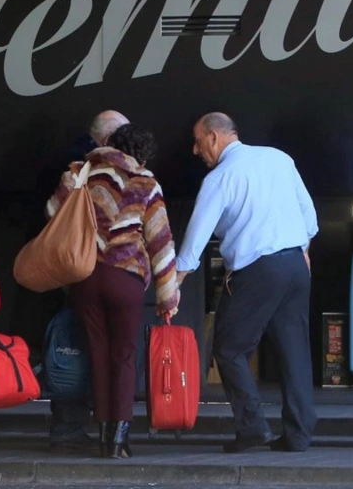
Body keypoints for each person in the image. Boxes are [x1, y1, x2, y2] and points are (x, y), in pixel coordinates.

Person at [175, 112, 319, 453]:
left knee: (229, 348)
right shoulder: (279, 159)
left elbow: (196, 239)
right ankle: (299, 434)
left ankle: (253, 427)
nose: (195, 150)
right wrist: (303, 249)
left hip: (258, 270)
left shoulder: (220, 178)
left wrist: (174, 284)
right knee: (295, 351)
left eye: (197, 141)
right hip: (295, 264)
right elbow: (309, 216)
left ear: (213, 137)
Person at [47, 123, 178, 458]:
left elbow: (52, 213)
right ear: (142, 154)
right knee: (124, 355)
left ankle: (103, 429)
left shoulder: (80, 173)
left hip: (86, 275)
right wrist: (168, 296)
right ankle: (118, 440)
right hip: (126, 278)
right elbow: (160, 241)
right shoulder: (147, 183)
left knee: (97, 353)